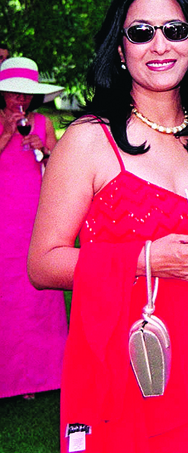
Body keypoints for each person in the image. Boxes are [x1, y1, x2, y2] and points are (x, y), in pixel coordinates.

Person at [28, 0, 188, 452]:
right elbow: (42, 264)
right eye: (142, 32)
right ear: (120, 48)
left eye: (175, 29)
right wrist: (146, 259)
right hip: (115, 358)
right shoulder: (88, 140)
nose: (160, 45)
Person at [0, 57, 66, 401]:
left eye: (25, 94)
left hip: (34, 217)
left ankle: (38, 376)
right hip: (3, 220)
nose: (20, 100)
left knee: (35, 293)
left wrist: (45, 150)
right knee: (6, 293)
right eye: (14, 94)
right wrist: (7, 134)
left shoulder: (43, 123)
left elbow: (60, 170)